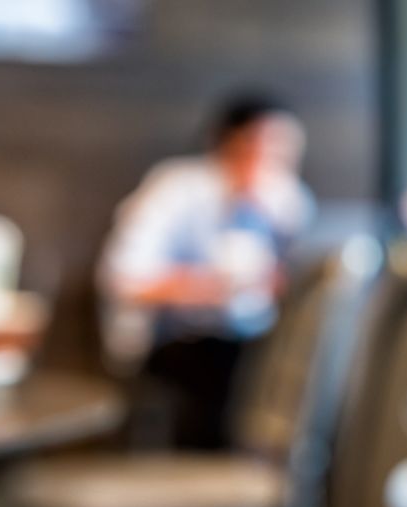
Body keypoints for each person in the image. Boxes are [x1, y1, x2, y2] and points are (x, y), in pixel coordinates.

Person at [99, 95, 314, 450]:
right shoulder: (176, 188)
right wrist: (210, 289)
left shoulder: (289, 202)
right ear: (227, 144)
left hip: (253, 338)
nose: (276, 166)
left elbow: (283, 281)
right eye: (265, 151)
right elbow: (123, 279)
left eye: (287, 156)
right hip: (173, 339)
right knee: (228, 370)